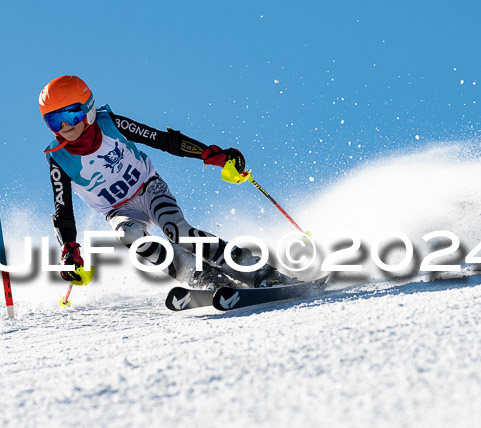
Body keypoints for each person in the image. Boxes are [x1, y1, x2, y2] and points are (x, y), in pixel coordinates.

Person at [39, 75, 294, 289]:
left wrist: (208, 154)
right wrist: (69, 249)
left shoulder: (111, 125)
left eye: (71, 115)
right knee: (127, 235)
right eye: (53, 120)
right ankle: (203, 279)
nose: (64, 126)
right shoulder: (58, 157)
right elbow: (63, 210)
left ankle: (259, 272)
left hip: (149, 188)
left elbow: (161, 140)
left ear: (89, 110)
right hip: (117, 210)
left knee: (178, 232)